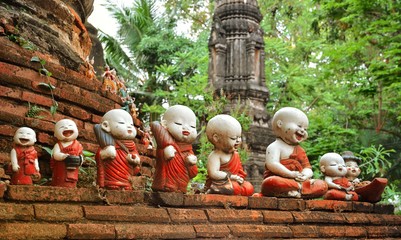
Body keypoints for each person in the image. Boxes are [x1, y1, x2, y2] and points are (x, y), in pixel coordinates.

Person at [260, 107, 327, 198]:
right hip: (281, 180)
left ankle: (296, 191)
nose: (303, 130)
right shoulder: (274, 146)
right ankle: (299, 191)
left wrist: (305, 175)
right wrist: (290, 174)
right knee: (271, 182)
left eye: (305, 129)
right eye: (299, 126)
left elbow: (307, 168)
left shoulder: (300, 150)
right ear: (280, 124)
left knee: (322, 184)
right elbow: (272, 164)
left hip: (298, 180)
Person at [150, 105, 198, 193]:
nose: (186, 128)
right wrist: (164, 153)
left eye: (192, 126)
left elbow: (193, 173)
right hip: (166, 184)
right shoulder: (165, 144)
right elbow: (160, 160)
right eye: (179, 123)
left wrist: (191, 163)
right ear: (164, 124)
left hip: (182, 185)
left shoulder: (188, 149)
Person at [205, 114, 254, 196]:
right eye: (233, 138)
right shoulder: (215, 155)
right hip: (221, 182)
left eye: (239, 137)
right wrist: (231, 177)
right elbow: (213, 173)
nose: (238, 141)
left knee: (249, 187)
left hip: (234, 181)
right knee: (234, 187)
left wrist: (239, 178)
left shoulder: (235, 154)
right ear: (216, 138)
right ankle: (213, 190)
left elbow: (240, 171)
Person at [94, 109, 141, 190]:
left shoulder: (132, 146)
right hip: (111, 178)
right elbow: (99, 155)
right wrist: (106, 153)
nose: (129, 126)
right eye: (122, 123)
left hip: (126, 177)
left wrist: (135, 159)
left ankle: (126, 185)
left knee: (127, 186)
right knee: (112, 185)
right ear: (106, 126)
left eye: (131, 124)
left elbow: (135, 154)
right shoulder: (108, 144)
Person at [51, 119, 83, 188]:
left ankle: (72, 186)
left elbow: (81, 155)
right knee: (60, 178)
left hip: (73, 167)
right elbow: (56, 155)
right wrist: (64, 156)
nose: (66, 127)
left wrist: (80, 160)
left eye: (70, 126)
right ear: (56, 134)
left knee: (72, 179)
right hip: (61, 166)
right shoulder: (58, 145)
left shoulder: (78, 145)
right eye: (62, 127)